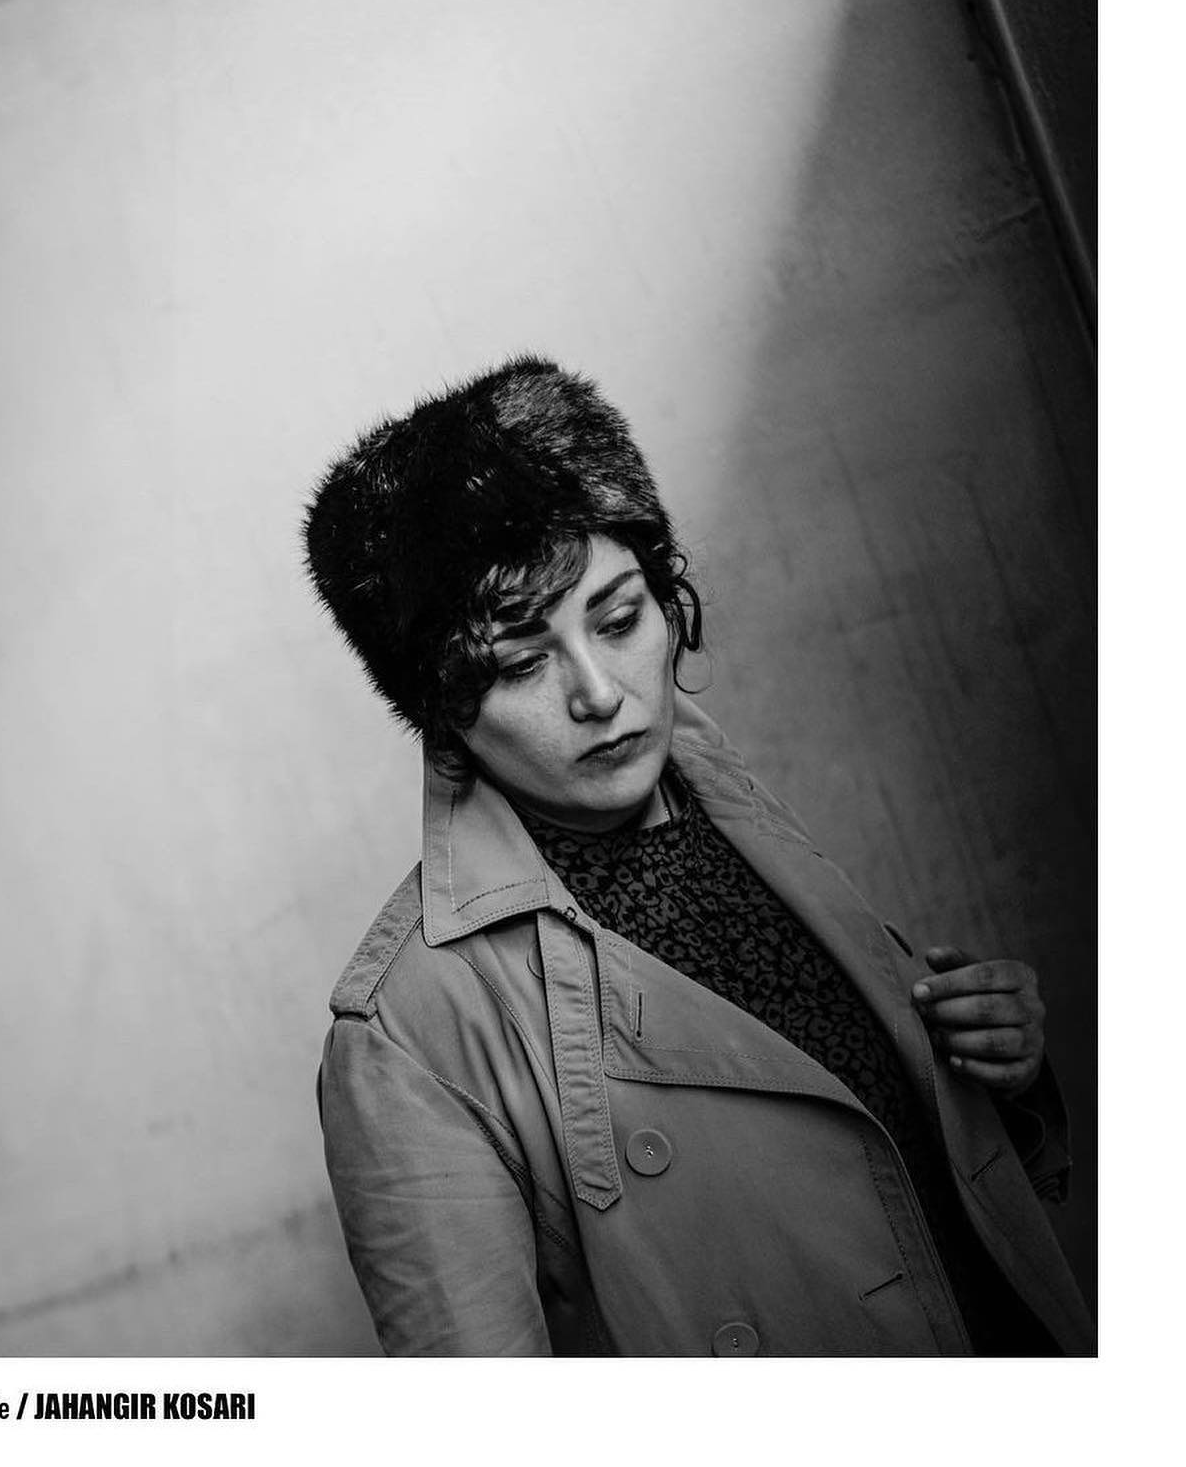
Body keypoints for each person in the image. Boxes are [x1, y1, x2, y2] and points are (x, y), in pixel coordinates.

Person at [302, 355, 1094, 1356]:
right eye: (522, 663)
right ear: (443, 707)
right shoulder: (407, 1034)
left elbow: (879, 1191)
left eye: (620, 619)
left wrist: (997, 1074)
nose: (600, 693)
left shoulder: (729, 804)